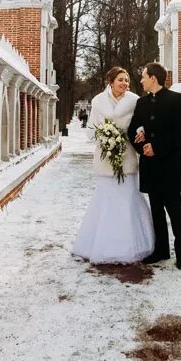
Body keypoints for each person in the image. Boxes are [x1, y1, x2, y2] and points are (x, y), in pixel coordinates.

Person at [72, 67, 155, 264]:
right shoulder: (98, 101)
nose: (125, 83)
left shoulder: (134, 100)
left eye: (127, 80)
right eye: (120, 80)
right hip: (105, 157)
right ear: (111, 81)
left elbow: (142, 125)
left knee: (128, 199)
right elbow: (91, 130)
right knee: (106, 201)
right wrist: (105, 135)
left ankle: (133, 245)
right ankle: (101, 244)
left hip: (127, 157)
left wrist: (137, 134)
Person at [127, 62, 181, 270]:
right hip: (151, 166)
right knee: (156, 211)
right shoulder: (142, 103)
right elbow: (133, 128)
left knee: (175, 211)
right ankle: (161, 250)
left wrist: (157, 147)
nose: (142, 80)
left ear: (153, 77)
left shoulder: (176, 99)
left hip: (170, 165)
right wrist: (141, 143)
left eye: (144, 76)